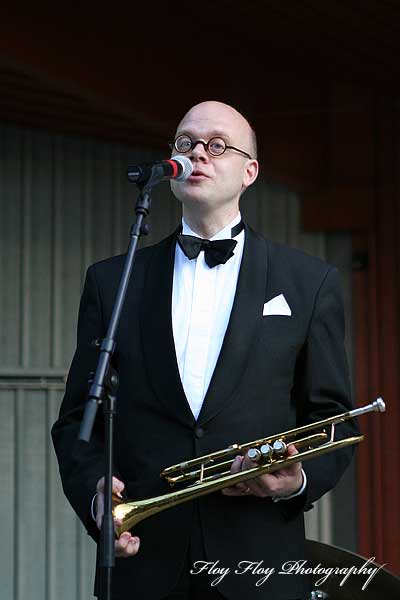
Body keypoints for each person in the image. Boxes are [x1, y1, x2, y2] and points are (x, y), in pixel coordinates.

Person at [52, 101, 357, 600]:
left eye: (217, 145)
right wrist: (95, 500)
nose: (198, 154)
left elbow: (336, 420)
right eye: (185, 143)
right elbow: (77, 422)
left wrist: (296, 480)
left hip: (261, 565)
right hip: (143, 560)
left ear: (249, 172)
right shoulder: (112, 281)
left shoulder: (309, 282)